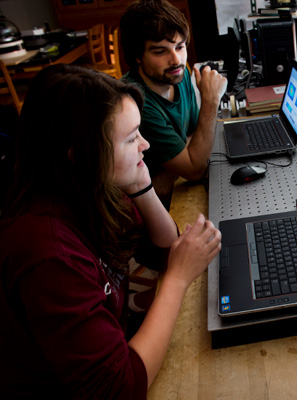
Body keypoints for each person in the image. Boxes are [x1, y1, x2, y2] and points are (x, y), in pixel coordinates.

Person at [0, 64, 221, 399]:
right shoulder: (48, 255)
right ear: (80, 156)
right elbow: (121, 388)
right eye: (131, 138)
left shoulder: (87, 189)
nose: (145, 144)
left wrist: (143, 186)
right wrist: (177, 279)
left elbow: (160, 251)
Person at [120, 0, 227, 209]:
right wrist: (211, 100)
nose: (176, 59)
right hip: (148, 210)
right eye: (160, 52)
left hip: (173, 187)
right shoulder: (135, 102)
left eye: (180, 46)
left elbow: (195, 135)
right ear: (137, 56)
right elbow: (195, 169)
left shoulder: (178, 73)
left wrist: (177, 162)